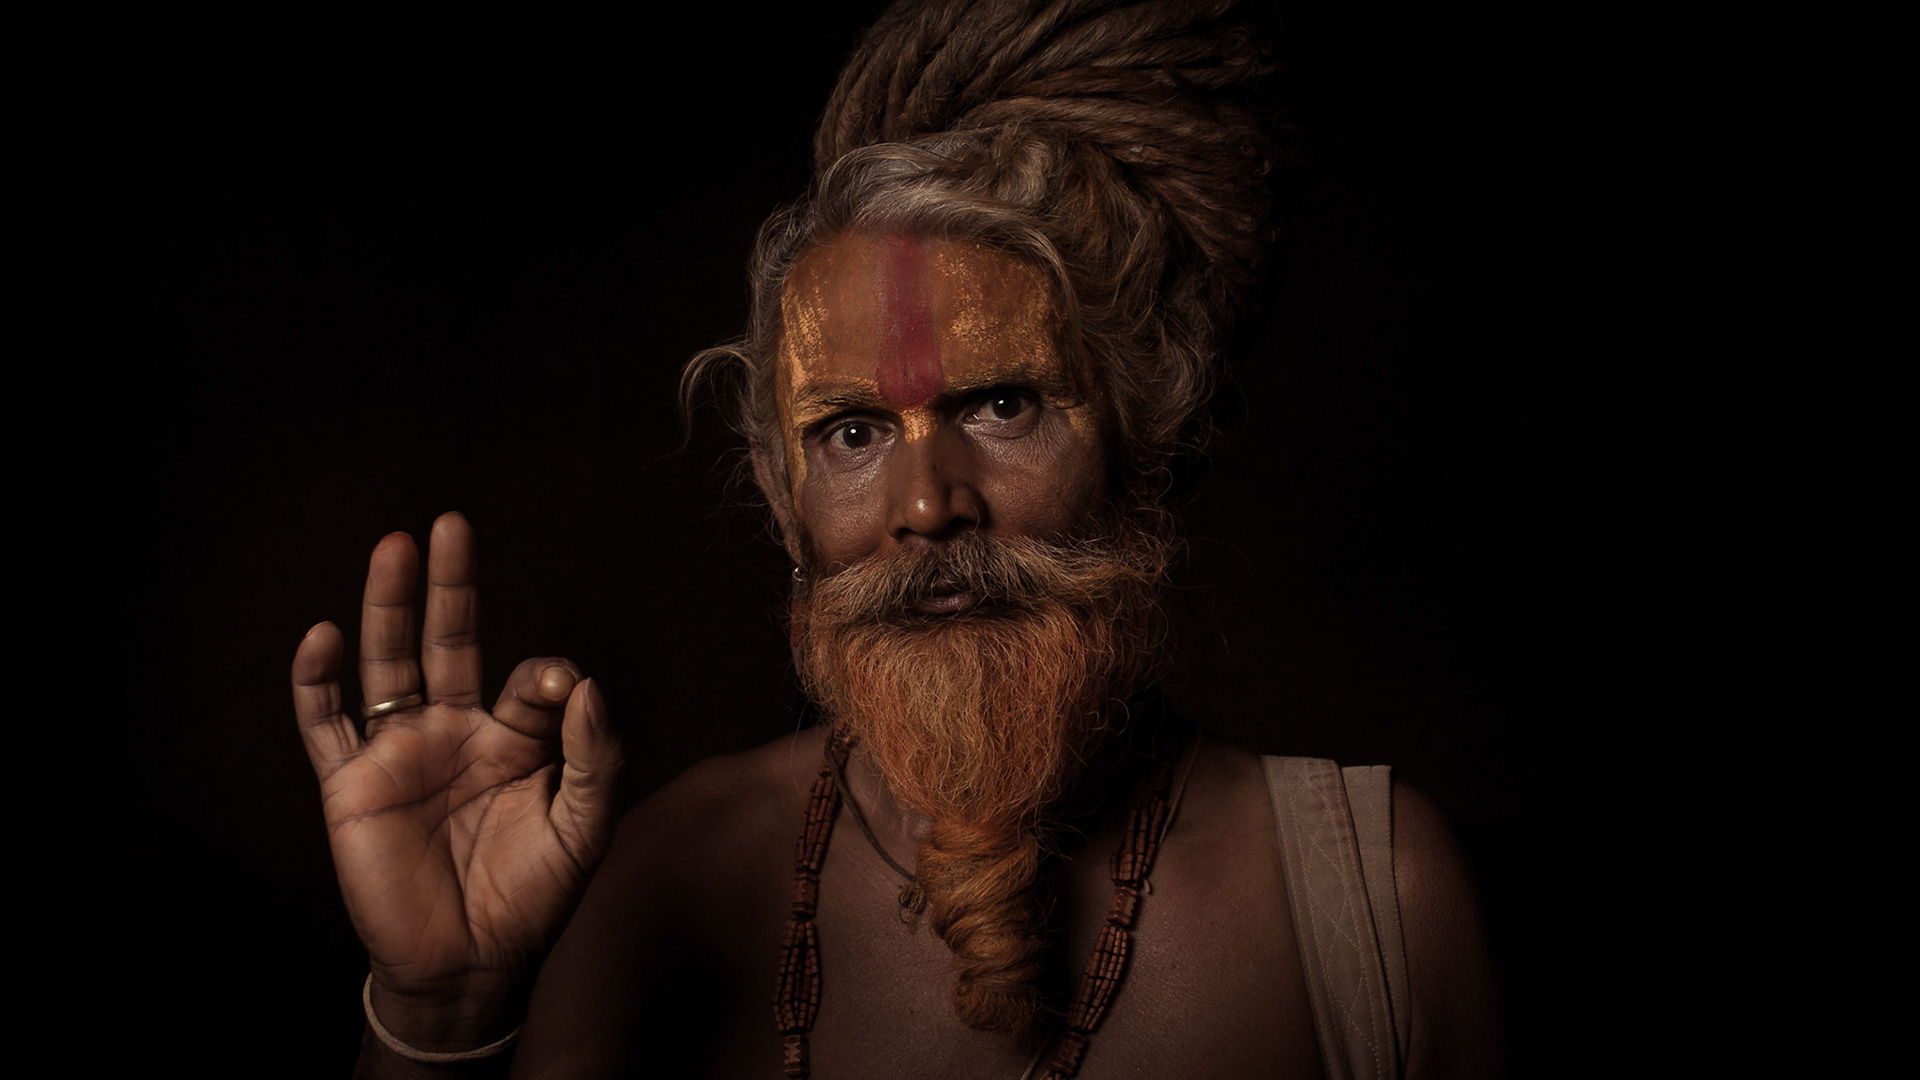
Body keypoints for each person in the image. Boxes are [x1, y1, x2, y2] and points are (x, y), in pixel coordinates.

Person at [290, 1, 1503, 1076]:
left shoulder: (1376, 899)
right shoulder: (664, 881)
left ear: (1146, 447)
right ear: (783, 498)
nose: (930, 506)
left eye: (1003, 404)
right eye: (856, 432)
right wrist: (439, 1014)